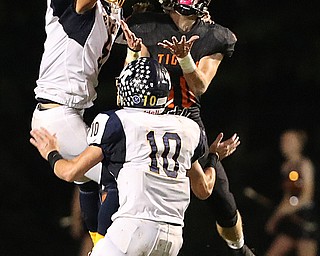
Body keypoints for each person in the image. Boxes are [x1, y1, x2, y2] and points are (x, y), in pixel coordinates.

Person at [30, 57, 216, 256]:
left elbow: (69, 172)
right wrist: (213, 158)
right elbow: (204, 189)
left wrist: (51, 152)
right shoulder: (188, 129)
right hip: (173, 238)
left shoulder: (119, 122)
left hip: (134, 229)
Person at [119, 0, 255, 254]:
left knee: (216, 194)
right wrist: (133, 49)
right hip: (148, 120)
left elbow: (200, 86)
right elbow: (129, 82)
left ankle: (240, 249)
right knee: (114, 181)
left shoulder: (213, 35)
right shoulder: (147, 25)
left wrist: (184, 58)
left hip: (185, 122)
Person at [30, 0, 124, 247]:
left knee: (87, 182)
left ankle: (97, 241)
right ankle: (104, 249)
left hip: (65, 114)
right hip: (57, 117)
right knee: (123, 180)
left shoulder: (107, 9)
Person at [265, 129, 318, 256]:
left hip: (305, 220)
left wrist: (283, 212)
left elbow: (306, 197)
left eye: (289, 140)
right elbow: (288, 197)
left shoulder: (305, 164)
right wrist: (275, 218)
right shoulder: (285, 167)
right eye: (283, 140)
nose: (284, 144)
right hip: (290, 220)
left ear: (299, 144)